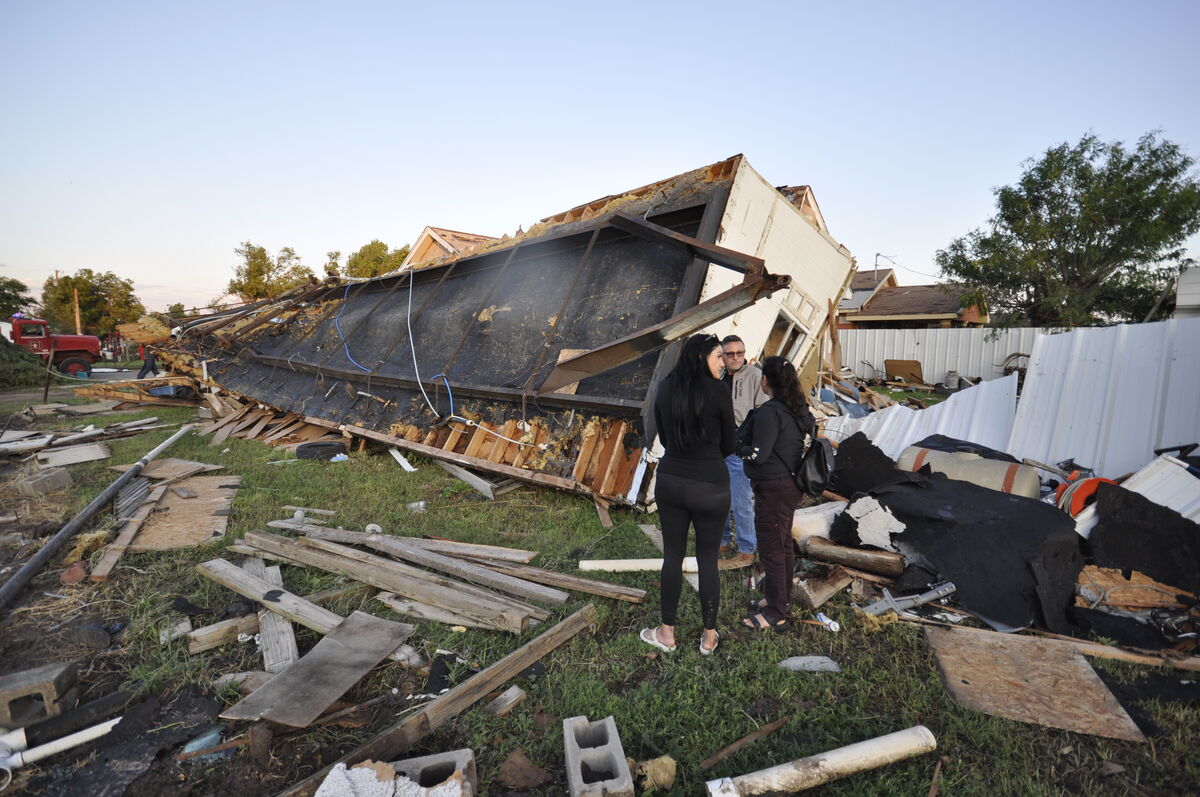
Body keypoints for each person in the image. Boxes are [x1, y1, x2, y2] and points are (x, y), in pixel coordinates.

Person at [639, 334, 735, 656]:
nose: (723, 363)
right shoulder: (719, 392)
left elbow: (663, 437)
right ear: (700, 357)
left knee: (673, 556)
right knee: (708, 559)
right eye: (718, 356)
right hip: (711, 485)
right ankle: (709, 637)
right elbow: (729, 446)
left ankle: (667, 633)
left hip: (672, 481)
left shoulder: (665, 388)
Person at [736, 356, 815, 631]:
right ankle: (781, 599)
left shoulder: (771, 412)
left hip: (774, 489)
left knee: (772, 549)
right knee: (782, 546)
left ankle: (776, 613)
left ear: (765, 381)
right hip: (789, 486)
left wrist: (738, 449)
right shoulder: (797, 409)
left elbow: (759, 455)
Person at [718, 335, 768, 569]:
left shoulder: (755, 377)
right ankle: (723, 541)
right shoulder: (717, 375)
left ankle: (747, 549)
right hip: (717, 446)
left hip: (739, 447)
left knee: (741, 499)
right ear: (723, 355)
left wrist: (749, 442)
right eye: (730, 354)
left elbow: (763, 412)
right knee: (718, 497)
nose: (736, 357)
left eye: (740, 352)